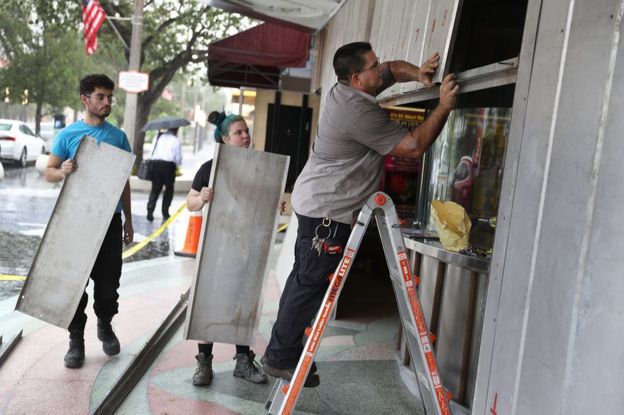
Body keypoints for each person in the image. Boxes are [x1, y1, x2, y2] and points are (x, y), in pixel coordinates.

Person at [261, 41, 459, 387]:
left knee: (303, 282)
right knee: (308, 285)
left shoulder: (354, 85)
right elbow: (413, 147)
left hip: (319, 204)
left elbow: (394, 69)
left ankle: (284, 352)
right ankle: (280, 358)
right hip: (327, 209)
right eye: (373, 65)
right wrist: (442, 105)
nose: (379, 68)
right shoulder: (356, 110)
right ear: (356, 78)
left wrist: (419, 73)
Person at [44, 74, 134, 369]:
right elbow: (49, 172)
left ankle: (105, 324)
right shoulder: (68, 135)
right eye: (101, 97)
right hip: (75, 222)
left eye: (110, 97)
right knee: (75, 283)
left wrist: (128, 219)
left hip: (110, 221)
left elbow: (124, 181)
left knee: (108, 284)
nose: (107, 102)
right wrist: (64, 170)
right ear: (85, 99)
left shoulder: (118, 137)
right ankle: (76, 339)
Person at [185, 111, 268, 386]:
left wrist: (274, 205)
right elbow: (190, 203)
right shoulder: (210, 168)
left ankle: (243, 361)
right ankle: (204, 364)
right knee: (209, 302)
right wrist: (203, 197)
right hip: (216, 247)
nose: (245, 136)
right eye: (238, 132)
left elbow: (265, 201)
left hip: (248, 246)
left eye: (246, 131)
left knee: (244, 301)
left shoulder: (259, 167)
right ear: (224, 139)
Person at [146, 127, 182, 221]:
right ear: (175, 129)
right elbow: (178, 157)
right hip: (169, 167)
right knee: (169, 190)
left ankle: (150, 209)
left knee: (155, 189)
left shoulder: (157, 137)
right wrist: (177, 166)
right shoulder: (176, 140)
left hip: (156, 165)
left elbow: (152, 152)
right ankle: (165, 212)